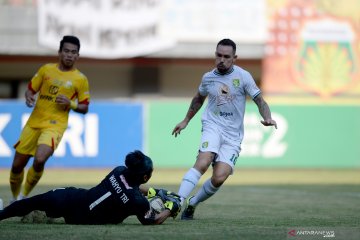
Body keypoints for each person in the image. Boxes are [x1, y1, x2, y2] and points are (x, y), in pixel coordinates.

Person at [172, 38, 277, 220]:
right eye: (218, 55)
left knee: (219, 177)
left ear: (234, 58)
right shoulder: (208, 78)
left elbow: (260, 100)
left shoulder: (243, 76)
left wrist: (267, 117)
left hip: (233, 135)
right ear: (215, 55)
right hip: (212, 126)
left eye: (226, 56)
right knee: (203, 162)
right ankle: (177, 202)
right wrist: (186, 120)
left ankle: (192, 203)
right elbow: (199, 98)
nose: (222, 59)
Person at [9, 36, 90, 202]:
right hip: (33, 123)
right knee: (17, 166)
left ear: (77, 56)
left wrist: (71, 104)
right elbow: (30, 90)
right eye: (66, 51)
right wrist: (29, 97)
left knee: (39, 159)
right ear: (59, 52)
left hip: (55, 126)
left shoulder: (80, 79)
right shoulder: (46, 70)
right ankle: (14, 198)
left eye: (73, 52)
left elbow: (84, 107)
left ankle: (24, 196)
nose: (69, 55)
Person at [0, 150, 181, 225]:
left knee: (31, 202)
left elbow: (127, 184)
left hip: (70, 199)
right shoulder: (137, 202)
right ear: (145, 176)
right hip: (79, 219)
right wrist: (169, 208)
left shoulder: (118, 171)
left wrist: (153, 191)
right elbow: (152, 220)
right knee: (39, 207)